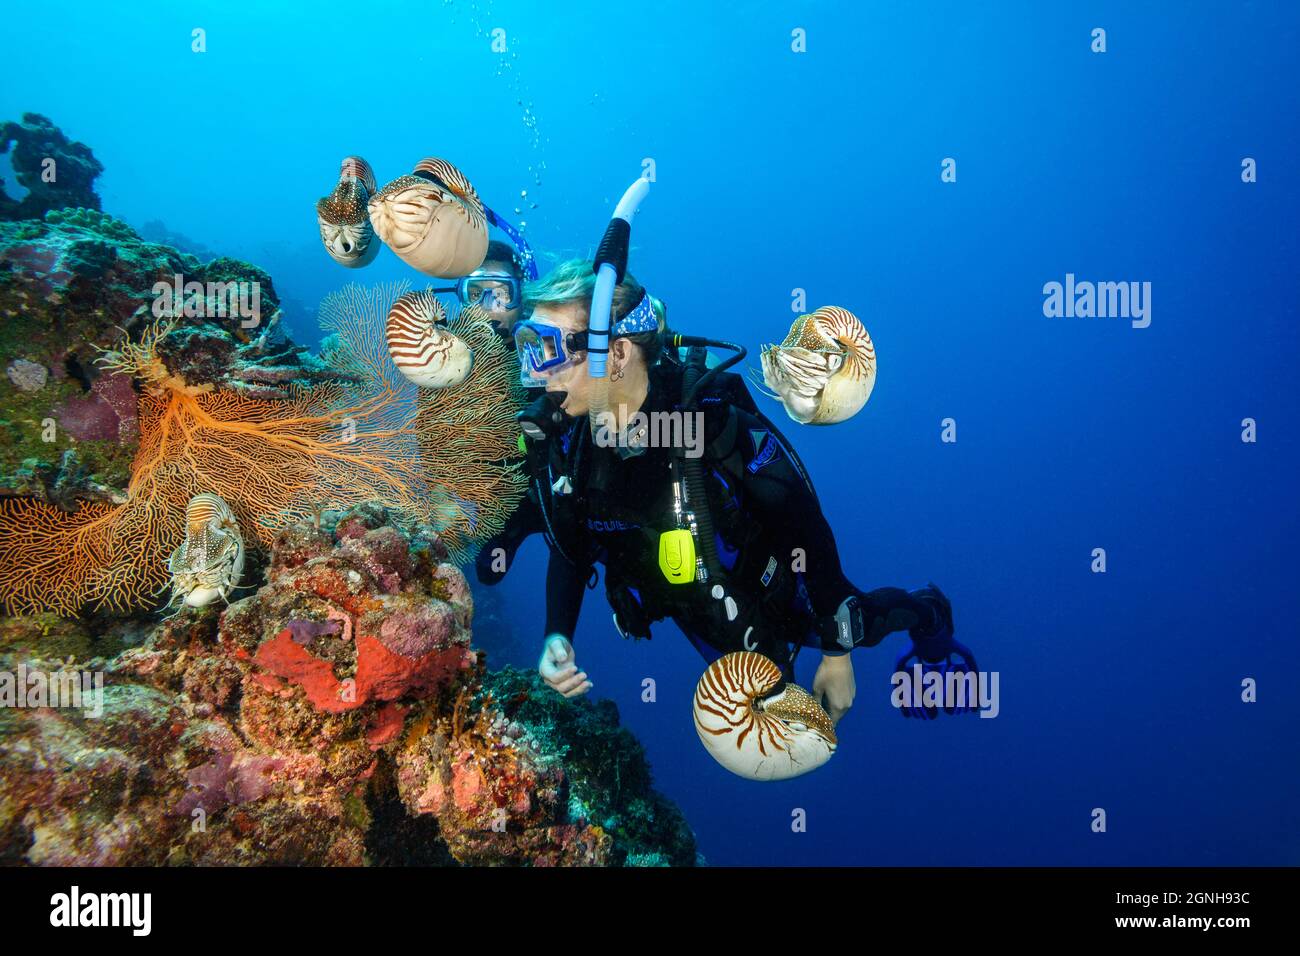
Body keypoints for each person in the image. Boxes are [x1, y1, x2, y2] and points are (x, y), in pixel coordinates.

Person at [505, 259, 974, 724]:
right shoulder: (567, 441)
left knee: (861, 623)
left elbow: (802, 522)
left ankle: (927, 611)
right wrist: (556, 636)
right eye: (528, 347)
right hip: (696, 607)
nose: (536, 373)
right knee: (771, 709)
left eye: (547, 348)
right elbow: (569, 547)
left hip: (777, 583)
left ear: (620, 352)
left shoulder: (709, 422)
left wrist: (836, 653)